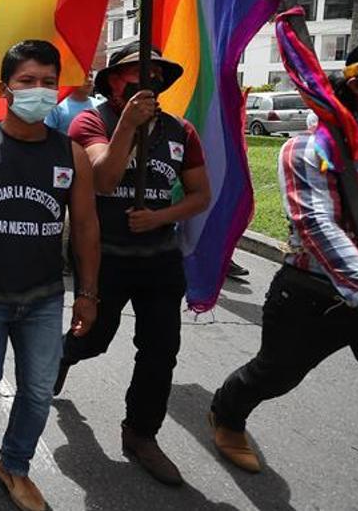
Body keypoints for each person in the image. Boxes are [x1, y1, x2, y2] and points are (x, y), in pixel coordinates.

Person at [0, 41, 100, 511]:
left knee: (38, 389)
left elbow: (87, 226)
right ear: (3, 88)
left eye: (48, 83)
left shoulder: (70, 155)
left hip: (44, 294)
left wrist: (88, 294)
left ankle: (13, 466)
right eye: (27, 81)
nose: (39, 91)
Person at [208, 42, 358, 474]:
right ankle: (226, 413)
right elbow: (317, 226)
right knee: (275, 374)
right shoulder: (310, 149)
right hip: (315, 295)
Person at [55, 42, 211, 486]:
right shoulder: (91, 121)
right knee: (96, 339)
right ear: (112, 83)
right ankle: (66, 353)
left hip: (159, 257)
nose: (147, 82)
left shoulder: (181, 132)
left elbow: (201, 194)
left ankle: (141, 434)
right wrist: (127, 124)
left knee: (161, 350)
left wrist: (159, 217)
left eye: (155, 75)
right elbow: (103, 178)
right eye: (134, 74)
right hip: (104, 256)